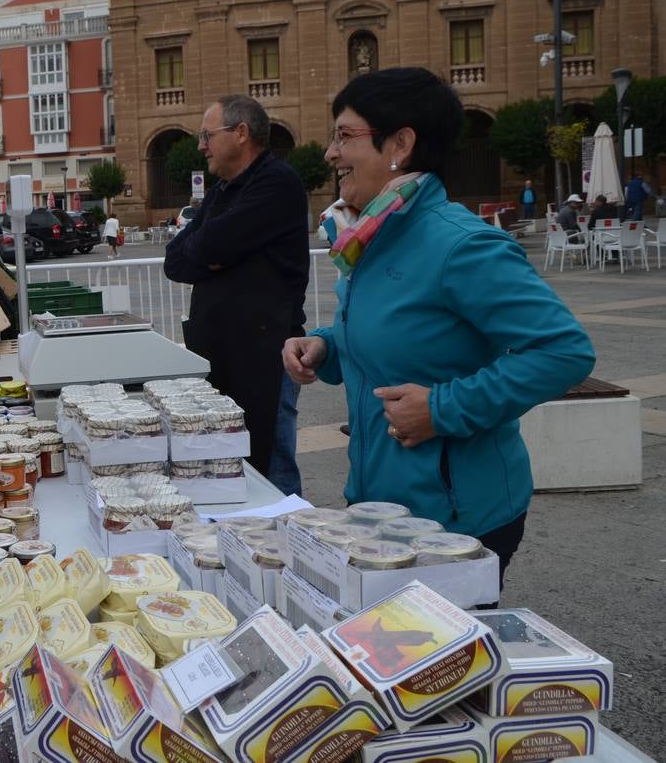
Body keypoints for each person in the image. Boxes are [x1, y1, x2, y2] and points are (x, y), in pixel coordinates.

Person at [282, 67, 594, 588]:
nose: (330, 153)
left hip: (456, 522)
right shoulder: (369, 237)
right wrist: (325, 346)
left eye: (344, 136)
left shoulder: (462, 244)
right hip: (379, 506)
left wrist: (442, 409)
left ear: (400, 143)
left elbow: (564, 352)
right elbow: (388, 337)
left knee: (437, 667)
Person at [164, 95, 309, 494]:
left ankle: (287, 544)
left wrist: (214, 254)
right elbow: (175, 260)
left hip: (266, 351)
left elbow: (209, 246)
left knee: (271, 466)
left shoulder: (276, 182)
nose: (201, 145)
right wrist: (216, 253)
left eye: (207, 135)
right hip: (221, 351)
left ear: (241, 133)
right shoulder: (223, 191)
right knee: (230, 464)